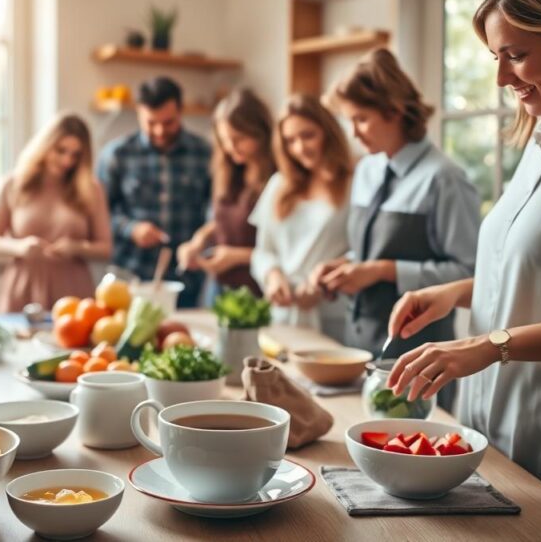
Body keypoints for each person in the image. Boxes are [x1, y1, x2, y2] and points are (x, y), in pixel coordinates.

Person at [385, 0, 541, 519]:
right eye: (494, 56)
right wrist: (454, 294)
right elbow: (537, 269)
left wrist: (490, 346)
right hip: (488, 422)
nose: (502, 77)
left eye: (517, 55)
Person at [310, 49, 480, 409]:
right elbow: (370, 249)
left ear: (394, 110)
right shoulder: (368, 170)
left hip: (421, 360)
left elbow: (470, 273)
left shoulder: (445, 179)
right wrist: (344, 265)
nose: (354, 133)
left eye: (361, 119)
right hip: (358, 346)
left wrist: (382, 271)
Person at [98, 76, 211, 308]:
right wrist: (131, 229)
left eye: (168, 122)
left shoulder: (204, 154)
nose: (159, 131)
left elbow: (214, 212)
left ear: (180, 112)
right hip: (130, 275)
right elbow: (99, 215)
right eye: (151, 123)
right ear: (139, 113)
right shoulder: (117, 154)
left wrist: (199, 243)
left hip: (186, 278)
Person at [249, 94, 355, 337]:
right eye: (289, 140)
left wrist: (324, 282)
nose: (299, 148)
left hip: (332, 312)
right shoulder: (278, 185)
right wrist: (272, 276)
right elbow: (263, 251)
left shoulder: (353, 184)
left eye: (308, 135)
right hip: (282, 314)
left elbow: (363, 253)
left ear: (328, 132)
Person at [0, 114, 111, 312]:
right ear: (45, 145)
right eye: (60, 150)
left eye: (75, 155)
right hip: (23, 286)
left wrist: (77, 247)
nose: (67, 160)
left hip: (73, 289)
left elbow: (106, 248)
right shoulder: (14, 184)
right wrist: (20, 247)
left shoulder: (91, 189)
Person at [176, 88, 275, 300]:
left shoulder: (278, 179)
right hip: (221, 285)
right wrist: (199, 240)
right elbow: (223, 220)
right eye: (224, 140)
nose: (231, 147)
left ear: (260, 132)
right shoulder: (229, 171)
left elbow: (287, 251)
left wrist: (237, 257)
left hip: (259, 290)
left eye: (239, 139)